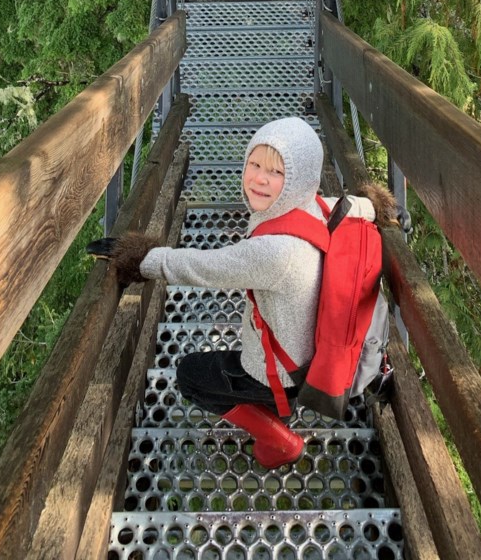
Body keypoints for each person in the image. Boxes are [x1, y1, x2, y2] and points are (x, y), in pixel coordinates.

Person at [102, 118, 397, 468]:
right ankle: (277, 408)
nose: (258, 178)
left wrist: (141, 259)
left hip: (284, 373)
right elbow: (353, 205)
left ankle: (281, 439)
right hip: (311, 351)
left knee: (190, 375)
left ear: (300, 179)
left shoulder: (275, 252)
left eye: (276, 172)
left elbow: (204, 267)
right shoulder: (317, 206)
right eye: (254, 164)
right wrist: (379, 207)